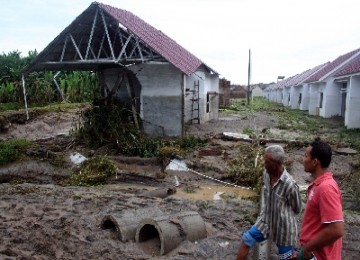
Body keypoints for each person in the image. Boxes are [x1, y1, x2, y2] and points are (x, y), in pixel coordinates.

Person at [237, 145, 302, 260]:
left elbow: (297, 208)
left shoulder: (289, 184)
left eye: (267, 162)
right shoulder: (266, 174)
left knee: (286, 258)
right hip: (265, 223)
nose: (264, 164)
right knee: (246, 240)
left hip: (284, 230)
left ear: (277, 164)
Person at [299, 138, 344, 260]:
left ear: (315, 162)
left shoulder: (326, 189)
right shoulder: (318, 185)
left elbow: (337, 229)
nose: (303, 160)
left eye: (306, 156)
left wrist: (308, 247)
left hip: (321, 256)